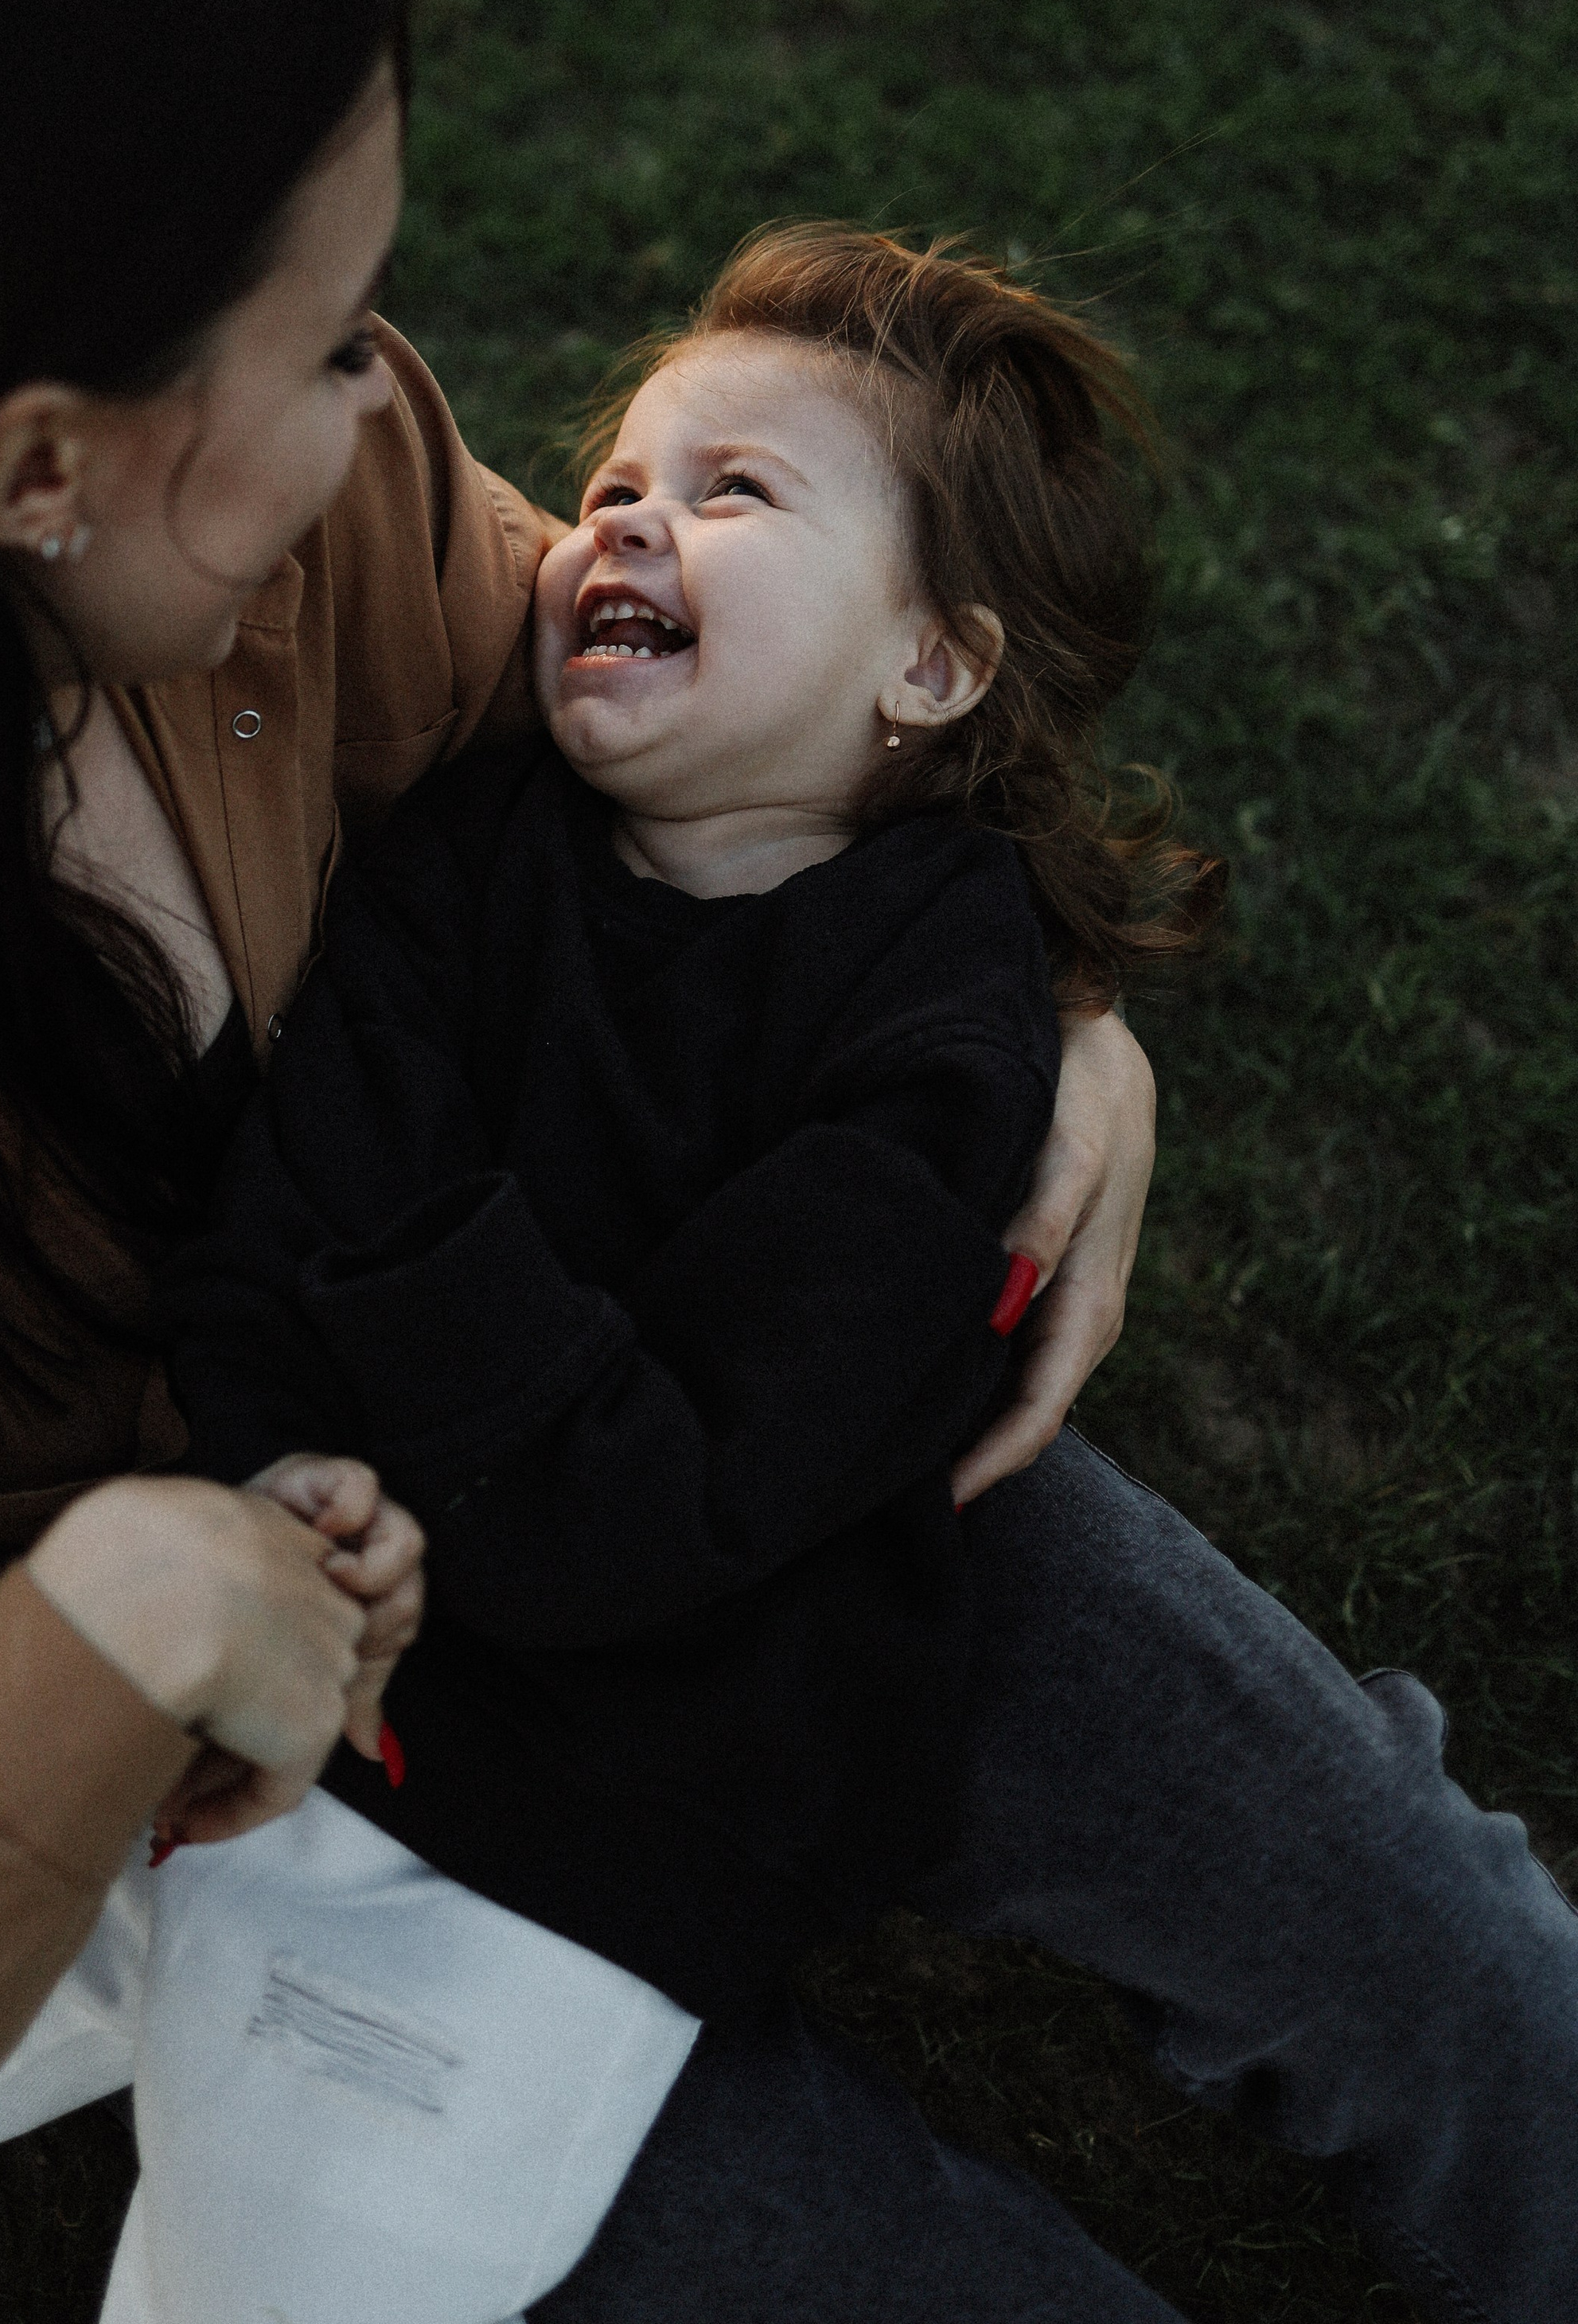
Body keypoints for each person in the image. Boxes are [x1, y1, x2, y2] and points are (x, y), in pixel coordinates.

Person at [0, 0, 1564, 2324]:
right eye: (328, 335)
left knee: (1443, 1945)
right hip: (337, 1826)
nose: (403, 403)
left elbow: (740, 712)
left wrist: (1038, 1009)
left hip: (726, 1417)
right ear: (45, 467)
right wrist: (111, 1646)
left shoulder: (322, 529)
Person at [128, 230, 1223, 2323]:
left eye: (734, 494)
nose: (626, 515)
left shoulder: (941, 1044)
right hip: (322, 1675)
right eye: (622, 481)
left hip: (631, 1811)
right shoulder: (475, 851)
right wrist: (275, 1475)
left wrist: (424, 1256)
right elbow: (266, 1232)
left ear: (931, 668)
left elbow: (667, 1498)